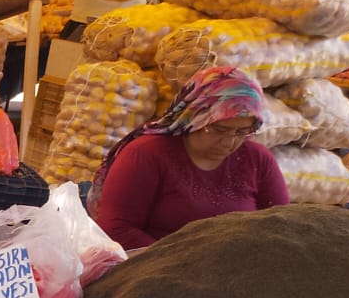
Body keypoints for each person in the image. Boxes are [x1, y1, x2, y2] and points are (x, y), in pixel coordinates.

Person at [89, 65, 289, 250]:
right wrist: (186, 264)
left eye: (242, 132)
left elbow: (279, 226)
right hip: (152, 272)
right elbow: (117, 229)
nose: (229, 142)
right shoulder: (146, 154)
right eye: (219, 129)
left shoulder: (257, 160)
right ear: (193, 118)